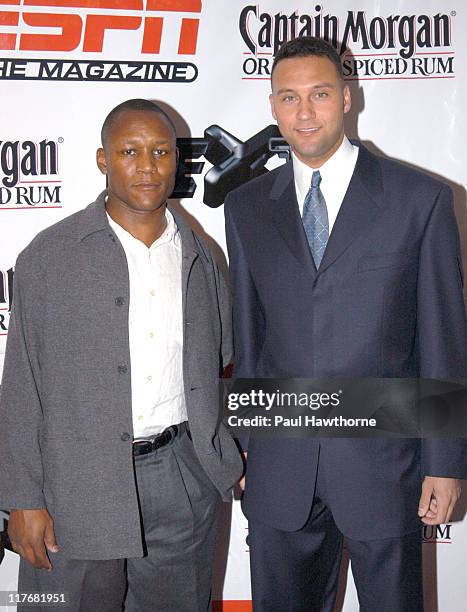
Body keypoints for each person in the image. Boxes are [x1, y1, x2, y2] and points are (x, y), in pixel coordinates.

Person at [224, 37, 467, 611]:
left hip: (386, 466)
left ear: (348, 98)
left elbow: (442, 340)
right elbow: (251, 339)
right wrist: (242, 444)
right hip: (281, 468)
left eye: (320, 95)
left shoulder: (421, 200)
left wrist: (445, 461)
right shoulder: (247, 207)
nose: (304, 112)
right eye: (289, 97)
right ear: (273, 106)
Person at [0, 98, 242, 612]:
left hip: (180, 478)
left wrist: (223, 450)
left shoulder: (201, 256)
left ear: (178, 162)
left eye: (161, 151)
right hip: (74, 485)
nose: (148, 166)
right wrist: (22, 498)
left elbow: (220, 366)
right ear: (103, 160)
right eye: (130, 151)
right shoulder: (49, 255)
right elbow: (22, 386)